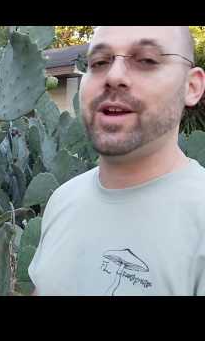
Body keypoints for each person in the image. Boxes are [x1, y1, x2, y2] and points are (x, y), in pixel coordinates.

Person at [28, 26, 205, 296]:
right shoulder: (63, 199)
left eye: (146, 60)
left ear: (191, 87)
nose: (113, 75)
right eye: (99, 62)